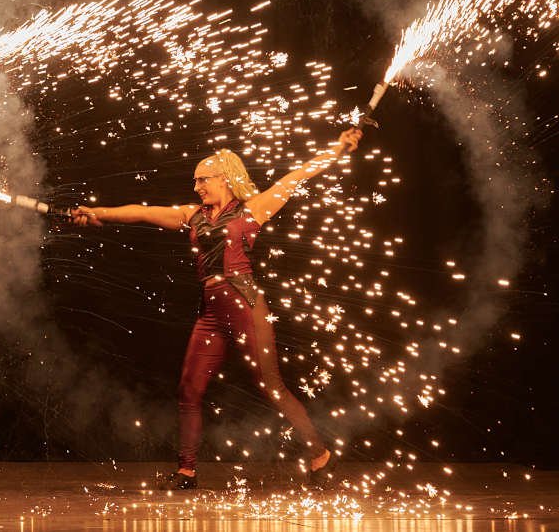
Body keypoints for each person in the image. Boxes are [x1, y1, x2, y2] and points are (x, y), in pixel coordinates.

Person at [71, 126, 363, 489]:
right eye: (195, 182)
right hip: (210, 313)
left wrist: (337, 148)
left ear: (224, 179)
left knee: (271, 386)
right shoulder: (191, 216)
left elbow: (297, 175)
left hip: (245, 306)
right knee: (188, 389)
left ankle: (320, 455)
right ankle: (187, 471)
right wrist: (100, 213)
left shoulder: (251, 210)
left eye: (203, 180)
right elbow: (143, 213)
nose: (196, 187)